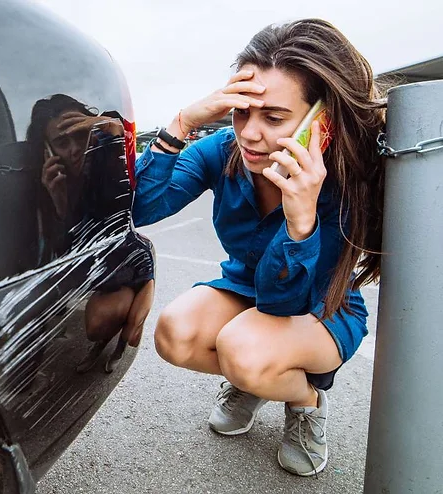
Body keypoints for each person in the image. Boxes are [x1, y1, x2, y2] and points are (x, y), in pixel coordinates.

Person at [132, 19, 385, 476]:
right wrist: (182, 124)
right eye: (241, 111)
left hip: (319, 308)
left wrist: (300, 219)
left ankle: (304, 401)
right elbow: (143, 206)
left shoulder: (344, 180)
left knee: (244, 351)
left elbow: (284, 300)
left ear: (319, 121)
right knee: (174, 333)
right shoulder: (224, 149)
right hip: (245, 289)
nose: (249, 134)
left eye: (273, 117)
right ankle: (256, 378)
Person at [27, 94, 156, 373]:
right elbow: (63, 251)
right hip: (103, 266)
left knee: (130, 333)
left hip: (131, 261)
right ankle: (97, 350)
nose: (75, 149)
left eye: (81, 134)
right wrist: (59, 203)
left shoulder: (103, 166)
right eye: (62, 142)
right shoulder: (45, 181)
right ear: (46, 149)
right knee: (96, 326)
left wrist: (107, 127)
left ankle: (117, 351)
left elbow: (116, 210)